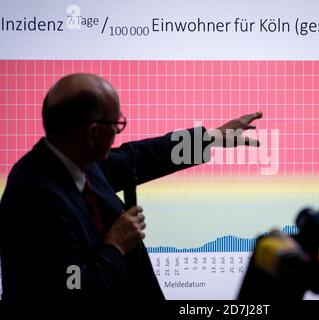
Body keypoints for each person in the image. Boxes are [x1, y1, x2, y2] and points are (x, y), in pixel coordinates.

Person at [0, 73, 262, 303]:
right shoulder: (35, 197)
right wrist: (116, 246)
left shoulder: (80, 160)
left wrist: (210, 139)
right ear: (92, 134)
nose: (117, 131)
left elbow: (140, 157)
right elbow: (72, 288)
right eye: (116, 125)